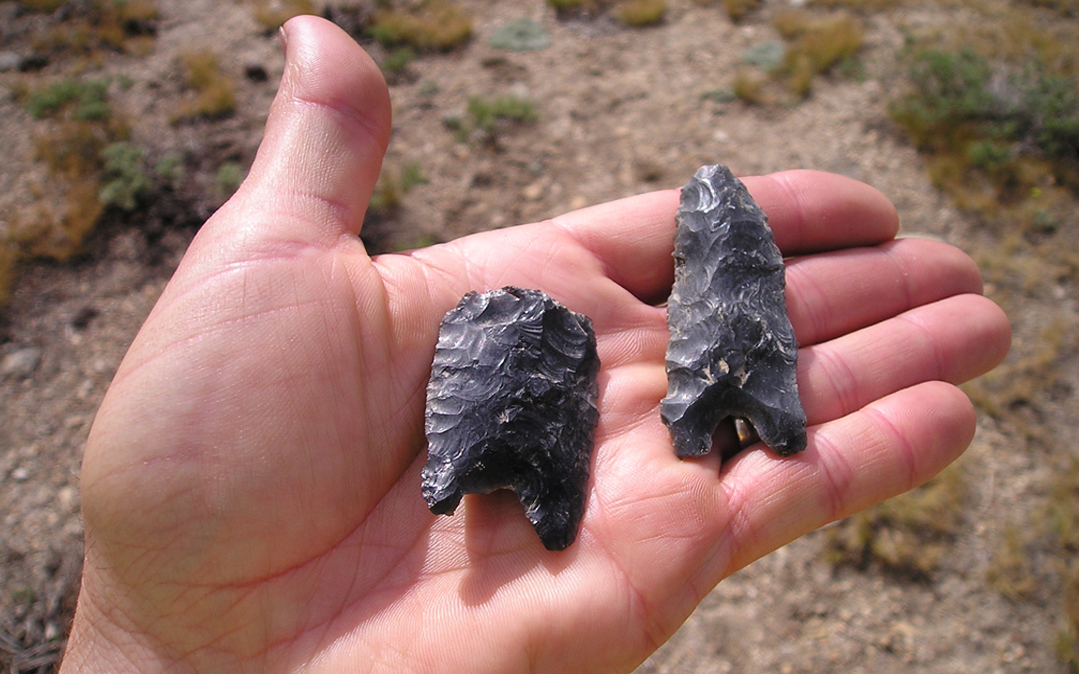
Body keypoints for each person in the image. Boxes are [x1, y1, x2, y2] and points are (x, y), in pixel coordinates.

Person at [58, 15, 1011, 674]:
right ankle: (661, 428)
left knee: (727, 366)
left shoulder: (673, 280)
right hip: (602, 380)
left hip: (695, 368)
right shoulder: (534, 333)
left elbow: (725, 287)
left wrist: (151, 649)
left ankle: (707, 412)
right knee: (670, 398)